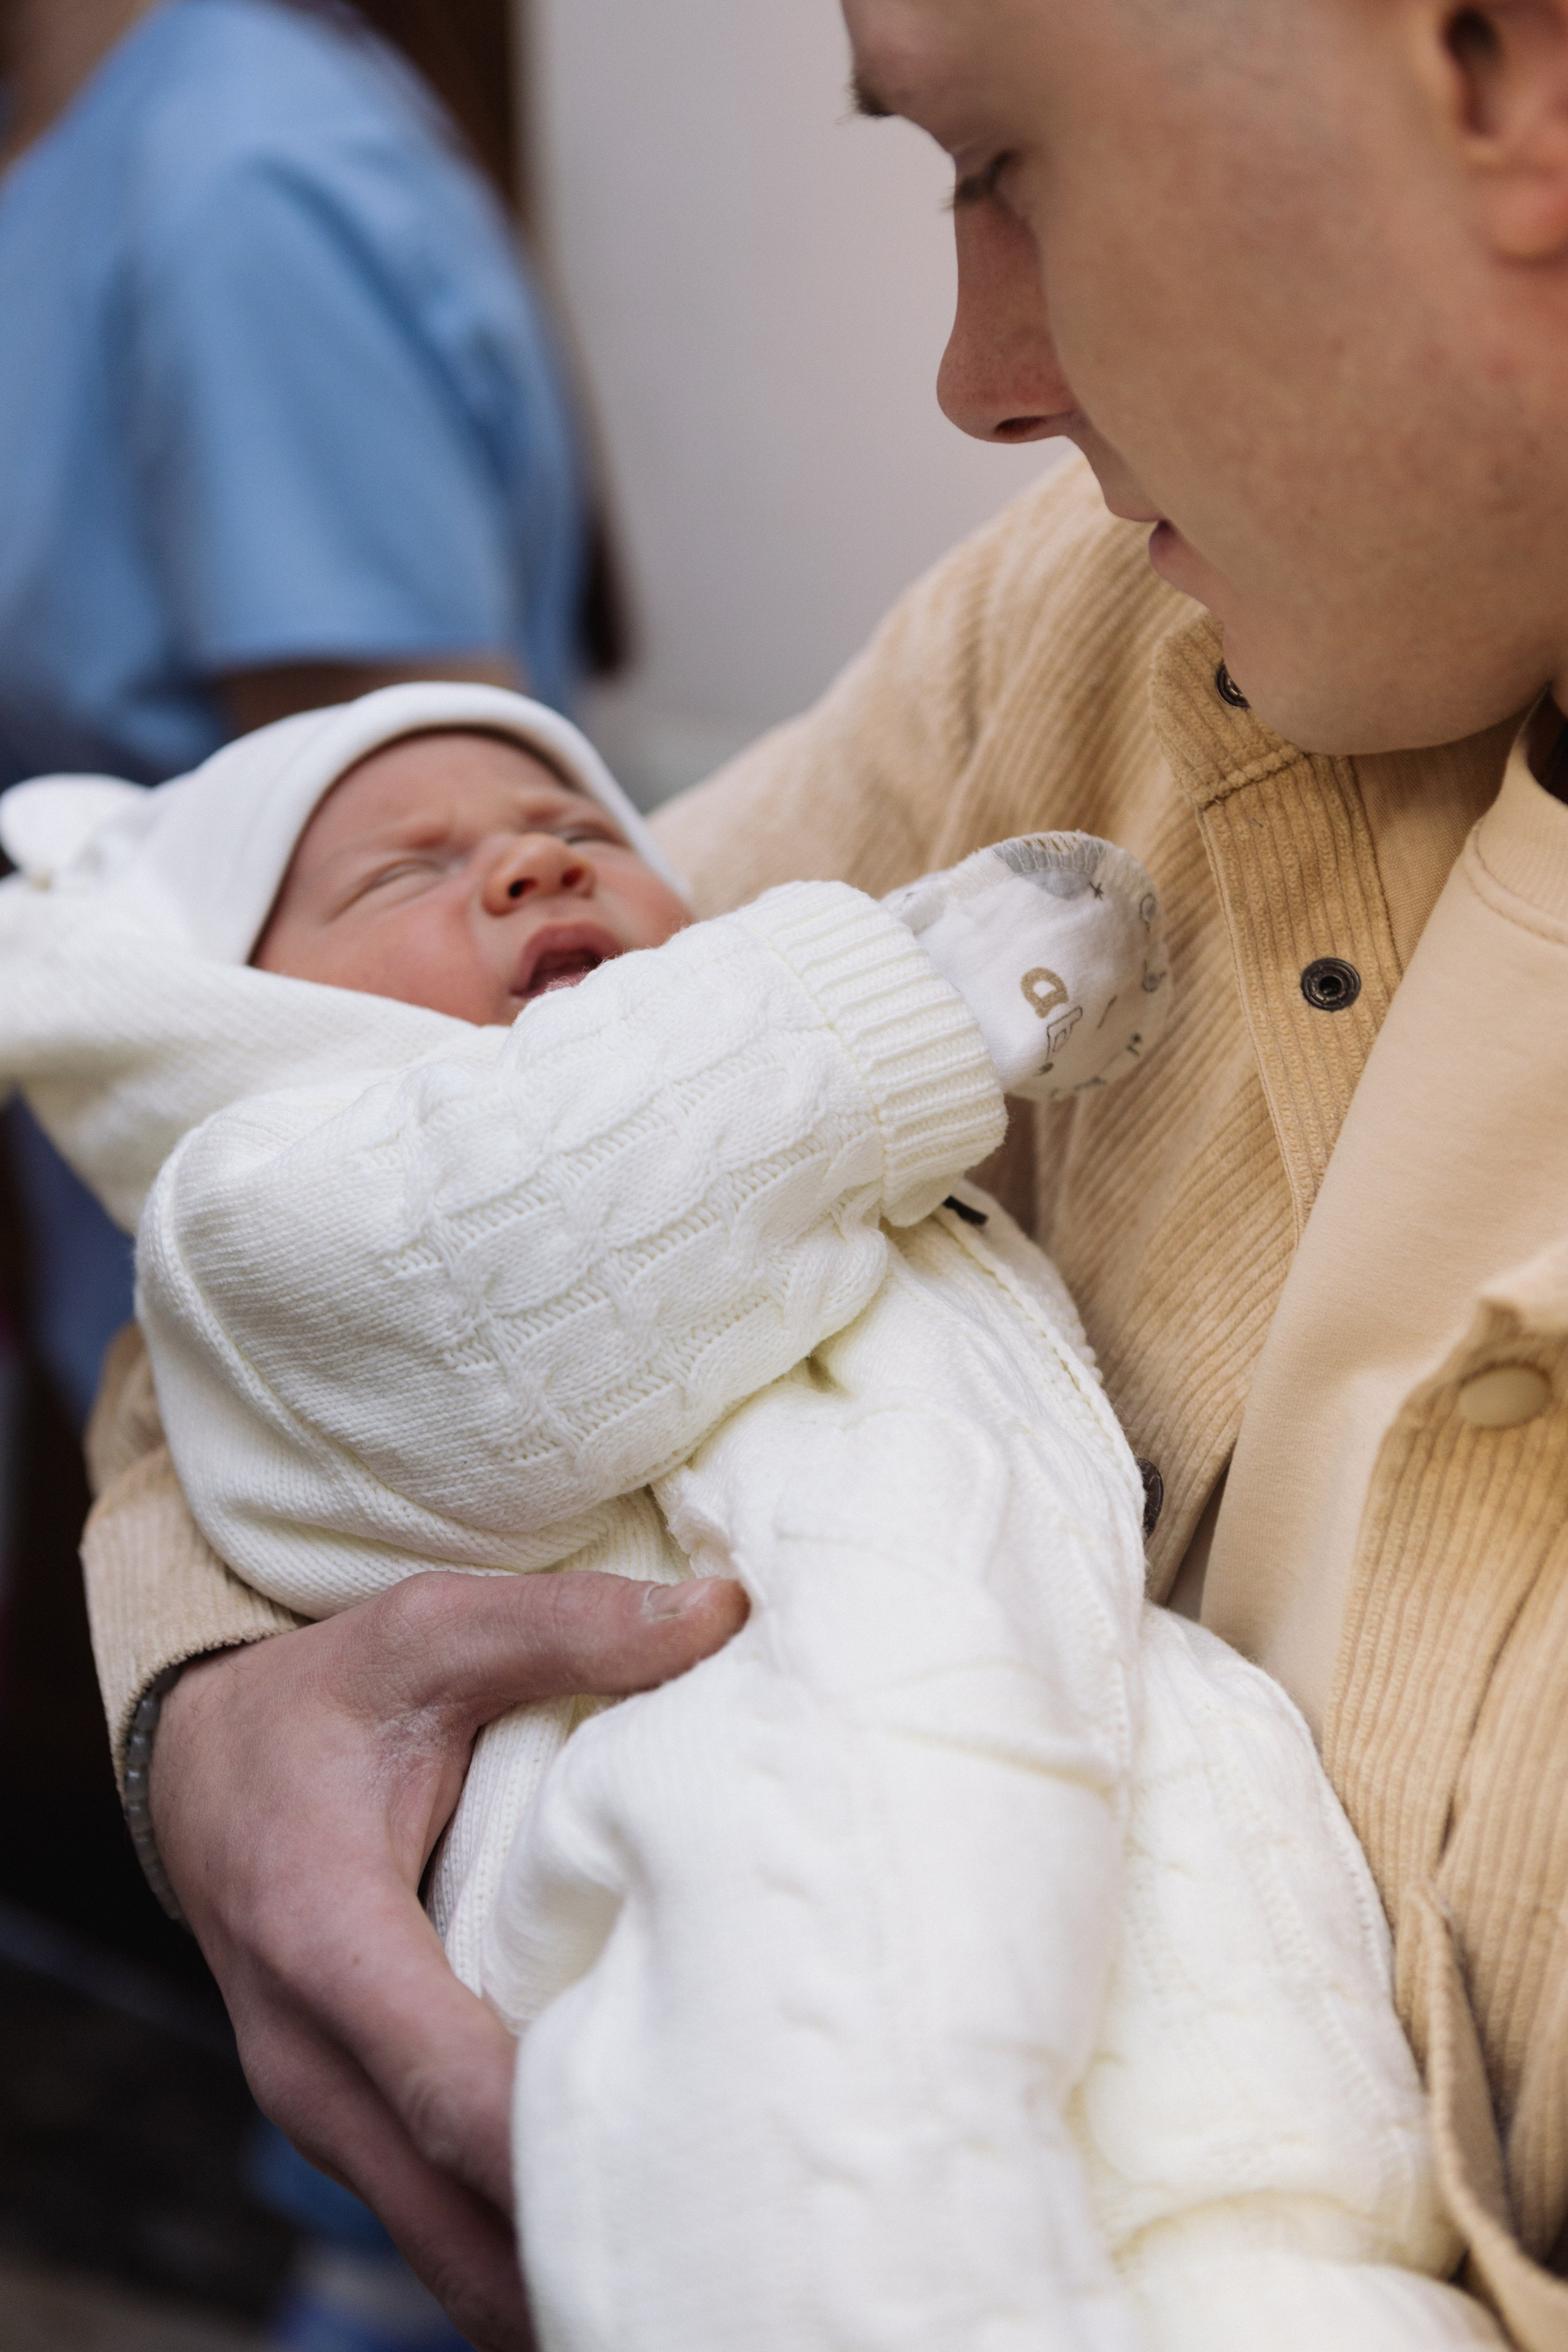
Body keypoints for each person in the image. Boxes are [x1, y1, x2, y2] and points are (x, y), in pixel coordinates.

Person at [70, 1, 1568, 2347]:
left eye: (1004, 165)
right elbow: (349, 1167)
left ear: (1517, 76)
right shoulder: (1084, 639)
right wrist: (216, 1714)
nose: (975, 376)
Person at [2, 686, 1488, 2346]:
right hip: (733, 1819)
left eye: (578, 835)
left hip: (1111, 1811)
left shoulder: (745, 1130)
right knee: (839, 2245)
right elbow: (500, 1264)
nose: (522, 868)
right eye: (403, 872)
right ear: (231, 1020)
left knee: (1282, 2215)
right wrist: (876, 1007)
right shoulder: (270, 1211)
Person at [0, 0, 588, 1425]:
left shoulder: (237, 181)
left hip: (335, 1368)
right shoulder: (88, 146)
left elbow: (440, 916)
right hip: (136, 1315)